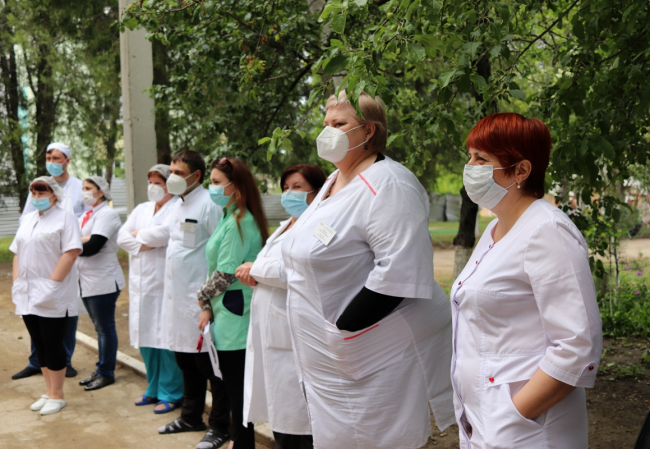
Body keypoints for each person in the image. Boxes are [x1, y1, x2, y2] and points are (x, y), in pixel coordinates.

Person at [279, 91, 455, 449]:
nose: (327, 132)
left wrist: (341, 331)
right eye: (325, 123)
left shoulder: (390, 183)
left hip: (366, 354)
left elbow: (399, 273)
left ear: (369, 130)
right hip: (329, 361)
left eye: (339, 123)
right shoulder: (334, 181)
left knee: (375, 437)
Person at [451, 113, 603, 448]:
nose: (470, 167)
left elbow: (577, 346)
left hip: (526, 431)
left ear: (521, 170)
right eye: (469, 156)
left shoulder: (547, 230)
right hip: (484, 423)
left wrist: (512, 416)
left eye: (481, 159)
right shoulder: (495, 229)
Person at [135, 150, 230, 449]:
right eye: (172, 171)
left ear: (196, 175)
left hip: (200, 300)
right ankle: (190, 417)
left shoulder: (210, 204)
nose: (172, 177)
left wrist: (208, 302)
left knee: (210, 367)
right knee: (186, 361)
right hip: (177, 300)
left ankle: (220, 426)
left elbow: (220, 253)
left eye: (178, 172)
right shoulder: (177, 204)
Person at [238, 164, 325, 449]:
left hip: (295, 330)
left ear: (318, 190)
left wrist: (256, 269)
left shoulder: (322, 224)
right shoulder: (286, 224)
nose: (289, 193)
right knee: (281, 413)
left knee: (298, 416)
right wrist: (255, 274)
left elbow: (302, 269)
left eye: (297, 187)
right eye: (286, 188)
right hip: (273, 327)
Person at [196, 157, 267, 449]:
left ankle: (242, 443)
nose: (211, 188)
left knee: (238, 390)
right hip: (226, 313)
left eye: (216, 182)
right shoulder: (230, 215)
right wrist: (207, 306)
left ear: (235, 185)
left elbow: (225, 274)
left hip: (236, 316)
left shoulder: (241, 221)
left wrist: (201, 297)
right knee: (231, 385)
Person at [13, 142, 88, 380]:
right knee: (35, 318)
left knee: (62, 315)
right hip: (38, 248)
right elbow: (27, 218)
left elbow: (88, 217)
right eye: (48, 158)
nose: (52, 162)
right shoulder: (39, 186)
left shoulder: (78, 187)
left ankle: (65, 360)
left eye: (57, 158)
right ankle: (37, 361)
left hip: (65, 249)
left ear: (67, 160)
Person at [10, 176, 82, 415]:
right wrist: (17, 282)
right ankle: (49, 391)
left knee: (52, 342)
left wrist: (52, 284)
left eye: (42, 193)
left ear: (54, 195)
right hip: (27, 291)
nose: (37, 197)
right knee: (38, 342)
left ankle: (58, 395)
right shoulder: (28, 219)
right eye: (34, 193)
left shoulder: (66, 218)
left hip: (53, 291)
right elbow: (17, 252)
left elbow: (71, 253)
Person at [117, 164, 183, 414]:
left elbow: (164, 234)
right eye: (151, 182)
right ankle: (153, 387)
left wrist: (138, 237)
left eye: (159, 182)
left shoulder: (177, 207)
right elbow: (121, 237)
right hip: (141, 286)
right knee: (146, 339)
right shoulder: (141, 209)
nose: (153, 187)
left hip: (164, 284)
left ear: (170, 185)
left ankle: (171, 392)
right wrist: (144, 241)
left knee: (165, 340)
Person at [77, 176, 126, 391]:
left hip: (103, 280)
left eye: (88, 188)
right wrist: (81, 240)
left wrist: (78, 242)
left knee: (105, 328)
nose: (84, 192)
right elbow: (71, 241)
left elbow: (93, 246)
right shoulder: (86, 215)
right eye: (83, 188)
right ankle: (101, 369)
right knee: (99, 328)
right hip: (87, 280)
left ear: (101, 191)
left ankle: (106, 373)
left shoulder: (107, 214)